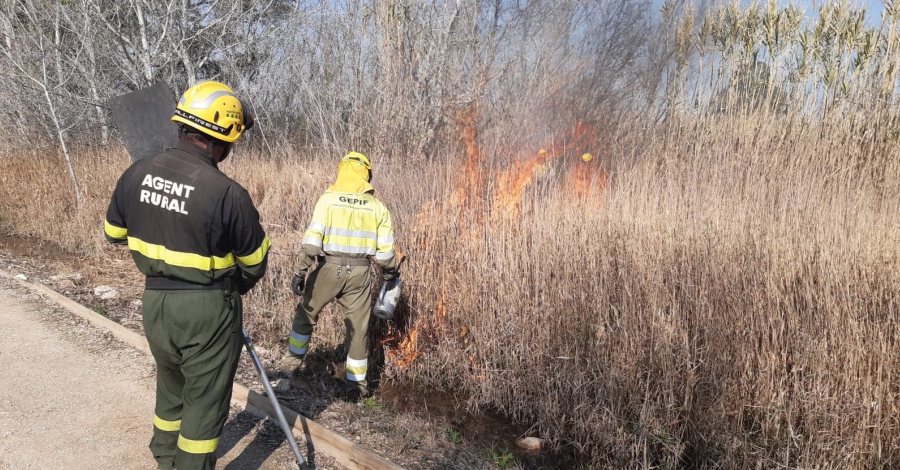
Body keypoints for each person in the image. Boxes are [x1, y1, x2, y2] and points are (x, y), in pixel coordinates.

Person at [103, 81, 270, 470]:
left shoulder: (137, 173)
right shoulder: (227, 193)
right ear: (219, 138)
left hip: (155, 303)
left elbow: (113, 234)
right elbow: (255, 261)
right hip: (207, 310)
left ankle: (165, 457)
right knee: (205, 402)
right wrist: (232, 290)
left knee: (171, 385)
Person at [283, 152, 400, 401]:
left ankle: (290, 367)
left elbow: (313, 241)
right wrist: (391, 276)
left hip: (328, 269)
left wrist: (300, 271)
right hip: (360, 273)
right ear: (366, 174)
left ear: (342, 171)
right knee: (358, 330)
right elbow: (386, 252)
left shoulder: (328, 200)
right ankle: (356, 387)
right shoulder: (377, 207)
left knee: (306, 315)